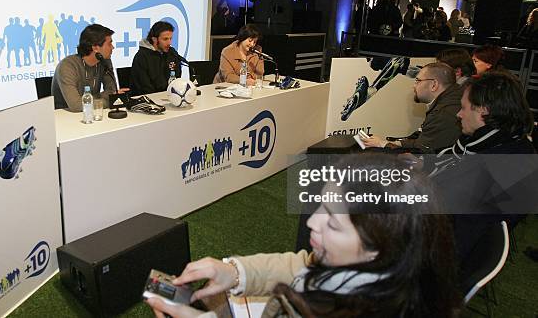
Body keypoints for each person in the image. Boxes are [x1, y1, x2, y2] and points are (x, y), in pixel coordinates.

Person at [147, 154, 461, 318]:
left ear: (378, 248)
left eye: (334, 223)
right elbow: (303, 265)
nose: (313, 223)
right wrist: (233, 271)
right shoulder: (381, 271)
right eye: (320, 206)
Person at [426, 72, 535, 262]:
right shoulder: (513, 145)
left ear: (483, 110)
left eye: (463, 108)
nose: (458, 114)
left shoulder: (490, 168)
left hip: (430, 257)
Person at [361, 62, 462, 152]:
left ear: (433, 85)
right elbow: (423, 140)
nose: (414, 86)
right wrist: (394, 143)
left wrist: (382, 145)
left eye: (418, 81)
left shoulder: (442, 114)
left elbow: (420, 154)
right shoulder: (453, 98)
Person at [52, 24, 126, 112]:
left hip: (93, 113)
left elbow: (111, 91)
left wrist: (106, 98)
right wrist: (109, 101)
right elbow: (77, 106)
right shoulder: (67, 66)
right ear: (95, 48)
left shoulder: (104, 61)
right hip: (66, 117)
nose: (113, 47)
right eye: (109, 43)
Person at [131, 21, 183, 95]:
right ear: (154, 39)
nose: (169, 43)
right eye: (165, 39)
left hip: (170, 97)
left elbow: (177, 77)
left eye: (170, 38)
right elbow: (144, 87)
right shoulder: (141, 57)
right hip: (150, 99)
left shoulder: (172, 53)